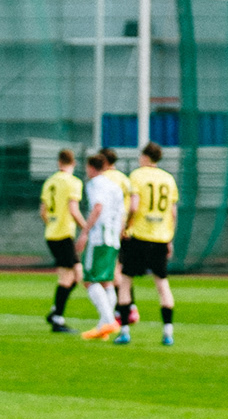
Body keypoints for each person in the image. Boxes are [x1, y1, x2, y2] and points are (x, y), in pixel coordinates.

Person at [116, 141, 179, 346]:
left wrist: (126, 227)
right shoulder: (168, 179)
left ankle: (124, 331)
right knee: (162, 284)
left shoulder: (137, 175)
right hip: (160, 237)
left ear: (144, 157)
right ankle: (167, 332)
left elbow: (133, 206)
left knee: (126, 282)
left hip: (139, 236)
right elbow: (172, 212)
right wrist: (169, 237)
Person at [77, 151, 125, 340]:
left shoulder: (95, 184)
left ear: (90, 168)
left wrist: (85, 232)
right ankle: (102, 326)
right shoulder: (115, 186)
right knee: (107, 281)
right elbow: (122, 214)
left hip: (99, 238)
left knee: (89, 279)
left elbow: (98, 207)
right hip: (113, 238)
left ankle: (108, 320)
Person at [40, 149, 85, 333]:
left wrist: (51, 224)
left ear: (59, 162)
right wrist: (86, 227)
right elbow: (73, 209)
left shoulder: (50, 181)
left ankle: (55, 311)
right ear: (73, 163)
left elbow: (42, 211)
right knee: (74, 275)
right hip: (65, 234)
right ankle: (57, 318)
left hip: (51, 234)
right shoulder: (73, 182)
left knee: (68, 276)